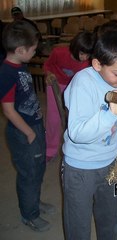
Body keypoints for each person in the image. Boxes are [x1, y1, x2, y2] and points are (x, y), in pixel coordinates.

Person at [62, 30, 117, 240]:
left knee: (110, 219)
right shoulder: (82, 83)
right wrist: (110, 113)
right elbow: (77, 133)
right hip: (80, 168)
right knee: (78, 224)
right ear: (96, 65)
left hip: (109, 164)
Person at [0, 20, 55, 232]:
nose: (35, 53)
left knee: (38, 169)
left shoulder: (20, 65)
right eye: (33, 50)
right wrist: (29, 132)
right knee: (29, 174)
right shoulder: (6, 73)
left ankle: (34, 202)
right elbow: (8, 110)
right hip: (23, 134)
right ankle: (29, 214)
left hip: (33, 127)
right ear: (20, 50)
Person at [43, 31, 95, 162]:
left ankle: (77, 148)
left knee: (76, 117)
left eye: (88, 55)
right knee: (54, 118)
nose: (84, 58)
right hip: (55, 84)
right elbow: (47, 65)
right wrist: (48, 74)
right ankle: (50, 148)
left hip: (75, 87)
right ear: (75, 48)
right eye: (82, 54)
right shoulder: (59, 52)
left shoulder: (88, 62)